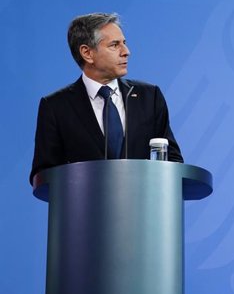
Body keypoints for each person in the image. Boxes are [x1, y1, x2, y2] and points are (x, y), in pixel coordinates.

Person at [30, 12, 182, 185]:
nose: (126, 52)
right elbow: (43, 175)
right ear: (87, 53)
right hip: (84, 209)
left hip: (144, 208)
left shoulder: (149, 97)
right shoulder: (56, 107)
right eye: (114, 45)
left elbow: (173, 160)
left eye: (124, 43)